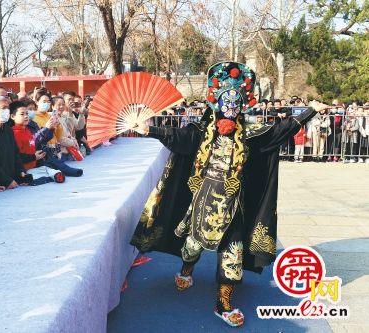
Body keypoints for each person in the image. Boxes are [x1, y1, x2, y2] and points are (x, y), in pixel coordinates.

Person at [129, 61, 329, 327]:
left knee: (233, 252)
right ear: (216, 103)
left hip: (235, 204)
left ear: (243, 106)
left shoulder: (250, 134)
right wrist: (151, 130)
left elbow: (279, 131)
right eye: (227, 101)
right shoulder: (201, 131)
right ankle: (187, 269)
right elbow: (179, 137)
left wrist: (309, 112)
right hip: (203, 200)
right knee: (191, 247)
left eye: (237, 103)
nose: (231, 107)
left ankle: (223, 303)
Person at [10, 101, 65, 184]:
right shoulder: (14, 133)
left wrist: (52, 128)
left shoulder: (27, 130)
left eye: (27, 113)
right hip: (23, 170)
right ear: (12, 116)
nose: (26, 116)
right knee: (38, 174)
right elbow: (17, 157)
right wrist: (34, 157)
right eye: (22, 114)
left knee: (49, 170)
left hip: (34, 167)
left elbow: (35, 144)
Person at [33, 92, 83, 177]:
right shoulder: (34, 117)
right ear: (37, 102)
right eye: (44, 101)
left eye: (48, 101)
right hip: (46, 150)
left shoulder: (50, 116)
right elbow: (40, 137)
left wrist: (57, 125)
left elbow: (58, 135)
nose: (46, 103)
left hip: (57, 149)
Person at [0, 96, 27, 188]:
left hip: (13, 180)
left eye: (8, 108)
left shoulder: (8, 130)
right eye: (3, 108)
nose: (7, 111)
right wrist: (7, 180)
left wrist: (21, 170)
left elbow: (15, 153)